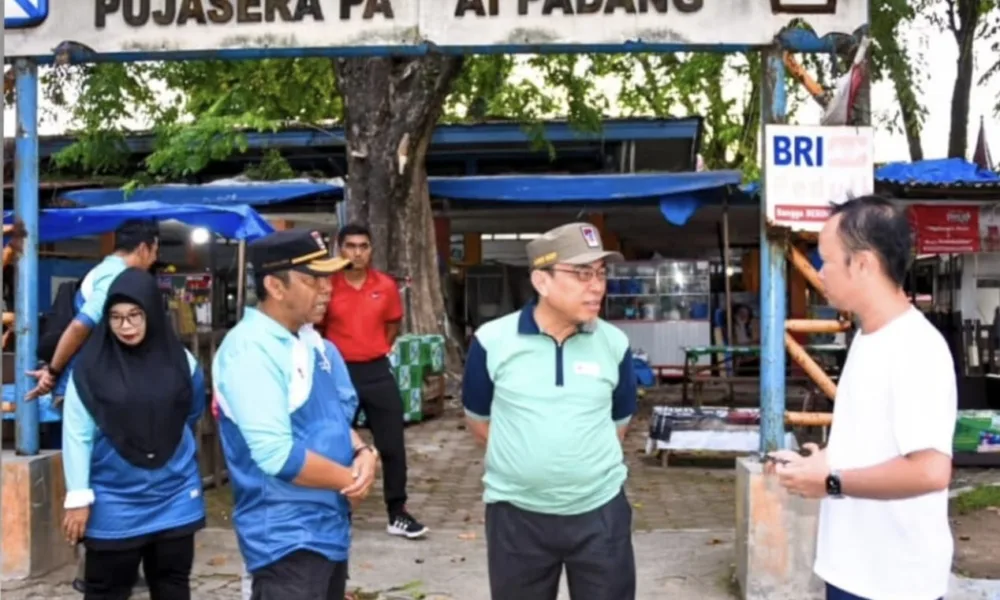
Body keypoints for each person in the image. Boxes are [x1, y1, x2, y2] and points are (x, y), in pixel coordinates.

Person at [768, 196, 956, 600]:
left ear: (864, 264)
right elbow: (875, 440)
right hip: (853, 568)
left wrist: (831, 481)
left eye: (827, 260)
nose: (821, 273)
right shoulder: (868, 337)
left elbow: (930, 472)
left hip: (894, 583)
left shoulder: (916, 348)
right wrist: (822, 462)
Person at [462, 222, 638, 600]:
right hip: (516, 517)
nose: (597, 286)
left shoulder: (615, 343)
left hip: (600, 514)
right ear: (541, 281)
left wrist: (575, 467)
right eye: (582, 274)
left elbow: (619, 424)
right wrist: (529, 467)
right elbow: (478, 421)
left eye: (601, 273)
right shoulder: (492, 342)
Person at [213, 229, 378, 600]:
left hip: (326, 527)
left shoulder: (308, 341)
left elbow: (330, 418)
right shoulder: (250, 350)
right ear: (275, 286)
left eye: (327, 278)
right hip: (286, 537)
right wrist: (351, 480)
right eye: (312, 280)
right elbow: (276, 455)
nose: (326, 289)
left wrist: (362, 452)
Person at [61, 267, 206, 600]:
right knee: (105, 590)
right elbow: (77, 435)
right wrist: (78, 497)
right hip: (114, 499)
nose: (125, 326)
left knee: (173, 586)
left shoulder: (183, 362)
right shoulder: (88, 370)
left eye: (134, 315)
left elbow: (191, 411)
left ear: (152, 312)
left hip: (175, 493)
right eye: (115, 317)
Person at [320, 223, 427, 539]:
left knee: (392, 444)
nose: (357, 252)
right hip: (339, 373)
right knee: (335, 442)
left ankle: (398, 513)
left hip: (377, 371)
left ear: (371, 250)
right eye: (350, 246)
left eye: (363, 246)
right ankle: (334, 510)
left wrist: (373, 348)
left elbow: (392, 324)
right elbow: (319, 331)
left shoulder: (385, 285)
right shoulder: (328, 285)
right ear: (340, 248)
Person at [28, 219, 160, 401]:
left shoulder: (106, 269)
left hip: (86, 385)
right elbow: (80, 326)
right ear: (143, 249)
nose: (154, 259)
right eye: (154, 251)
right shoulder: (114, 276)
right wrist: (52, 372)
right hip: (82, 390)